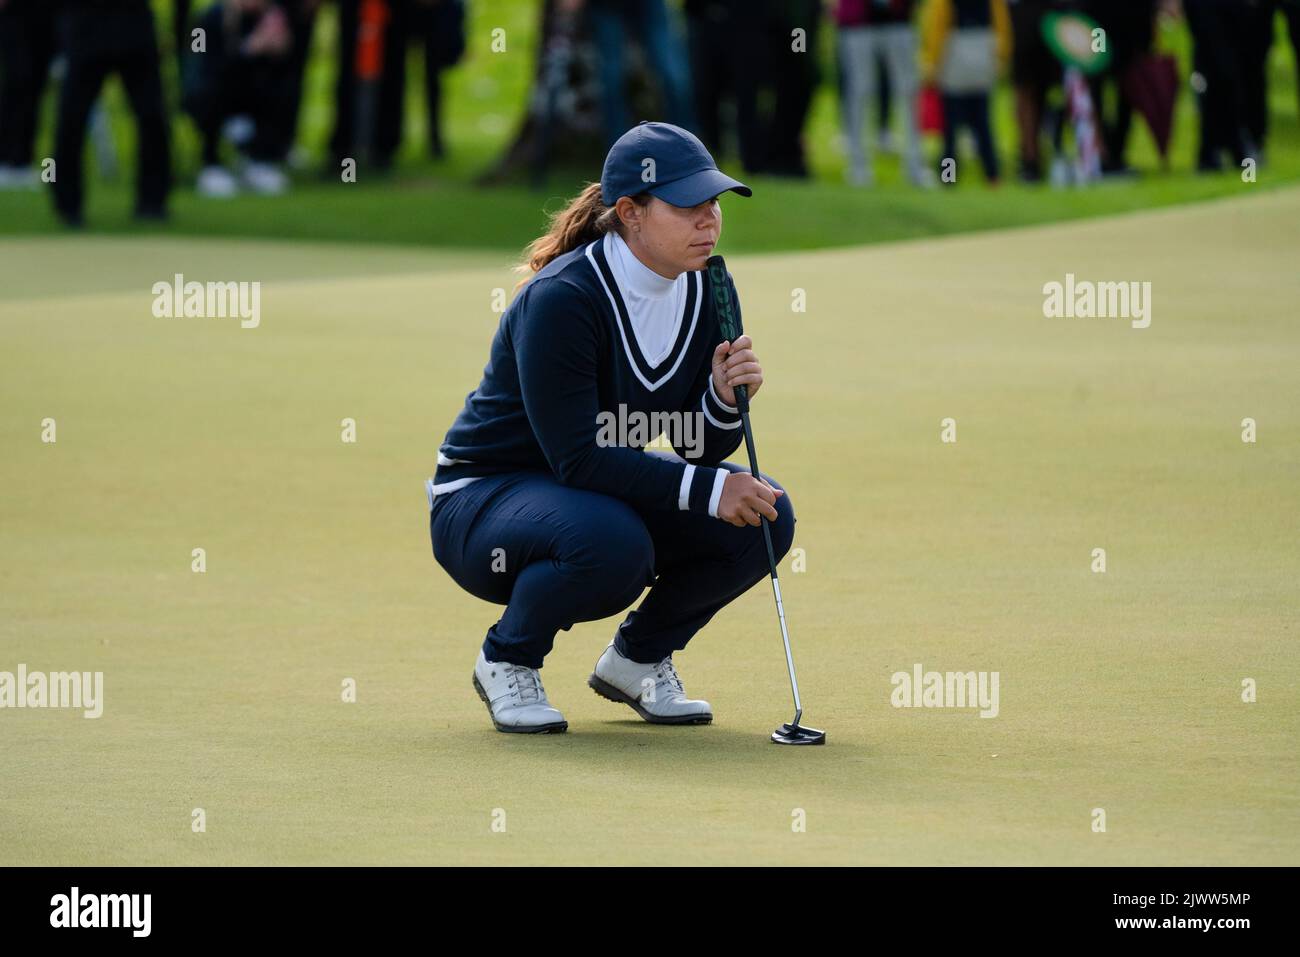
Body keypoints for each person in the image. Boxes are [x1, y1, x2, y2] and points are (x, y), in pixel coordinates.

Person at [426, 121, 796, 734]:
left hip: (590, 492)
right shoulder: (563, 298)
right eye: (687, 205)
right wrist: (707, 489)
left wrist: (722, 400)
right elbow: (577, 458)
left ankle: (638, 660)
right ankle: (507, 658)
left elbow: (694, 446)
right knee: (615, 543)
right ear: (630, 212)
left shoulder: (708, 286)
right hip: (483, 499)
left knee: (764, 516)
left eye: (714, 204)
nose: (709, 220)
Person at [51, 0, 171, 226]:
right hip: (85, 29)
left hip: (135, 30)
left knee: (152, 117)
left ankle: (153, 202)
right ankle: (67, 204)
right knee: (71, 119)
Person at [836, 0, 930, 186]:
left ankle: (915, 164)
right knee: (859, 92)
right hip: (859, 21)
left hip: (898, 20)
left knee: (909, 92)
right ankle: (858, 165)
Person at [919, 0, 1011, 184]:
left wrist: (932, 64)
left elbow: (936, 28)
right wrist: (1001, 58)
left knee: (951, 130)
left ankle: (949, 178)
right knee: (982, 126)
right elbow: (1002, 27)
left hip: (955, 62)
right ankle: (992, 177)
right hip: (980, 60)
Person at [0, 0, 59, 190]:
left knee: (35, 85)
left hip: (46, 12)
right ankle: (7, 158)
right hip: (14, 12)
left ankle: (22, 160)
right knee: (19, 80)